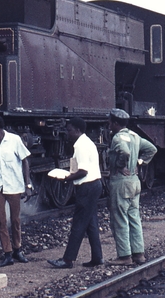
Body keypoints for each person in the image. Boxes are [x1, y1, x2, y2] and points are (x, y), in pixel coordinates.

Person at [48, 117, 104, 269]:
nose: (68, 133)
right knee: (91, 223)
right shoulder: (85, 142)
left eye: (70, 130)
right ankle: (97, 258)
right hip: (93, 185)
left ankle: (67, 260)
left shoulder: (81, 146)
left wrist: (66, 178)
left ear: (78, 130)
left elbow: (83, 171)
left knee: (78, 224)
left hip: (87, 186)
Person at [0, 114, 33, 267]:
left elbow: (25, 161)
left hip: (14, 186)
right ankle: (7, 253)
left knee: (15, 220)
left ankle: (17, 249)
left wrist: (27, 185)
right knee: (1, 221)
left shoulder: (15, 140)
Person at [106, 108, 157, 265]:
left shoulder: (118, 137)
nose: (109, 124)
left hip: (121, 181)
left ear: (115, 123)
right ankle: (138, 254)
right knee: (134, 218)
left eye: (110, 122)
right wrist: (140, 163)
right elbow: (152, 149)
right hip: (135, 182)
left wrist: (121, 165)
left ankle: (124, 256)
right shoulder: (135, 136)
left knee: (120, 219)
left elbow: (124, 152)